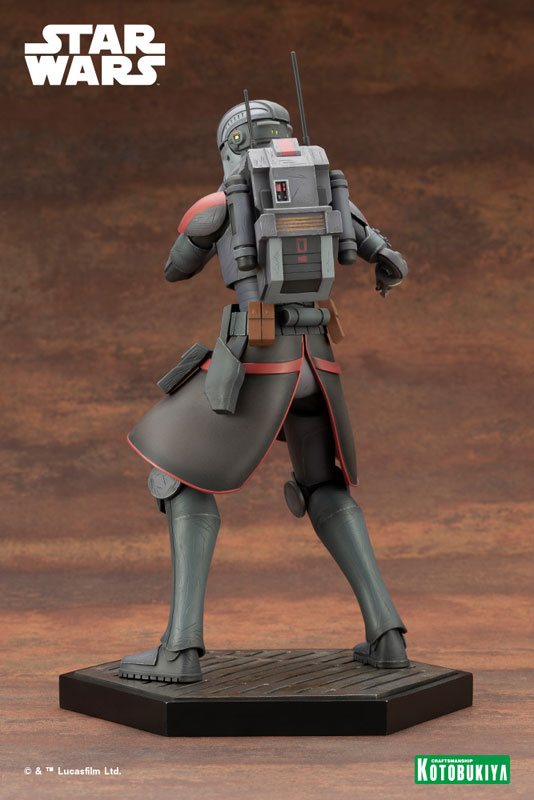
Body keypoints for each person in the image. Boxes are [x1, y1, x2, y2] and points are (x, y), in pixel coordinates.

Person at [119, 99, 409, 684]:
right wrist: (382, 264)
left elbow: (176, 268)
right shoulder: (326, 191)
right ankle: (388, 638)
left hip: (259, 359)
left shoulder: (222, 202)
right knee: (323, 484)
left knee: (180, 476)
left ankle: (180, 649)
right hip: (316, 361)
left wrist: (212, 223)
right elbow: (386, 256)